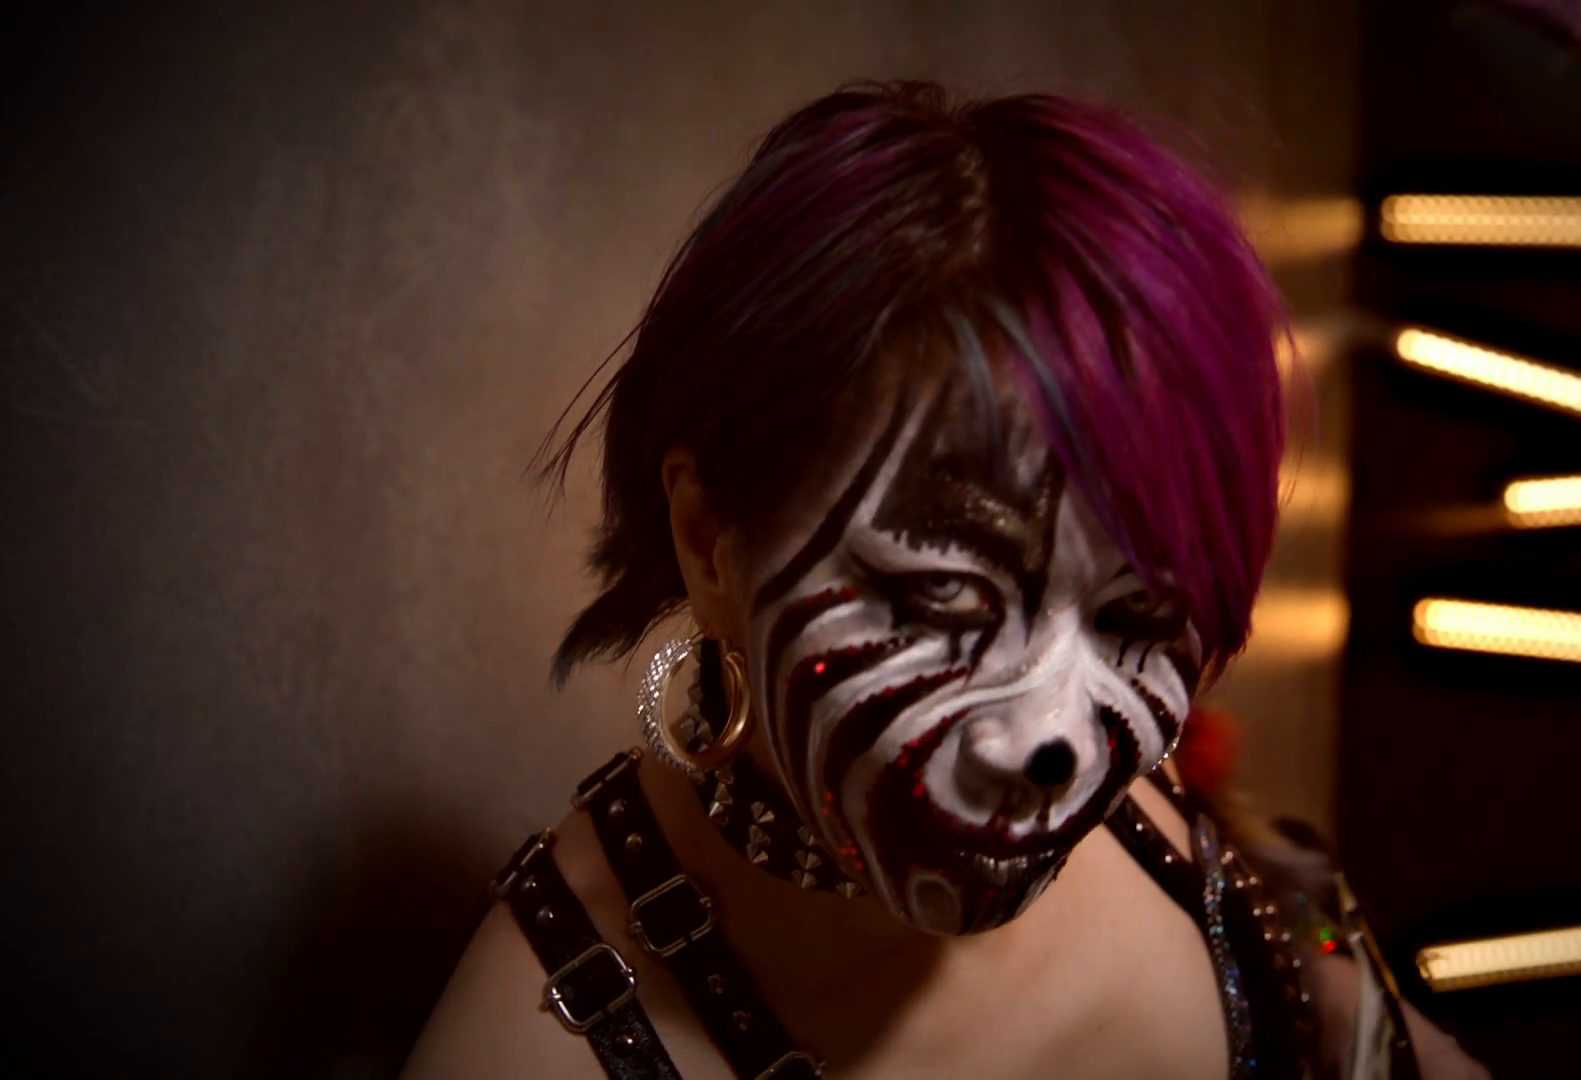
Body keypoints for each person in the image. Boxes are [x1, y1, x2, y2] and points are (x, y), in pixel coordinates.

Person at [404, 80, 1487, 1080]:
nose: (1055, 736)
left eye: (1138, 615)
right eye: (937, 600)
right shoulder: (538, 1043)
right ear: (709, 538)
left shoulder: (1216, 865)